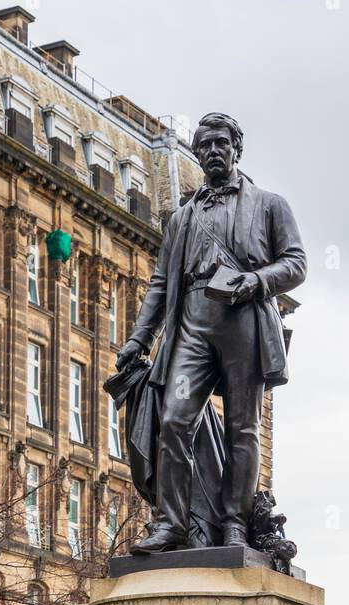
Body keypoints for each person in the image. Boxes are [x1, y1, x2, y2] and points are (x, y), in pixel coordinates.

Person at [116, 112, 307, 553]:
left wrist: (256, 281)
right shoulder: (182, 218)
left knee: (243, 428)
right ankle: (173, 523)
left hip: (244, 319)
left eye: (222, 143)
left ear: (236, 148)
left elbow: (296, 262)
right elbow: (162, 283)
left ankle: (236, 525)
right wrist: (139, 339)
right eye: (206, 146)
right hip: (194, 322)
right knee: (174, 420)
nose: (214, 151)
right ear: (197, 153)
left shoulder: (269, 205)